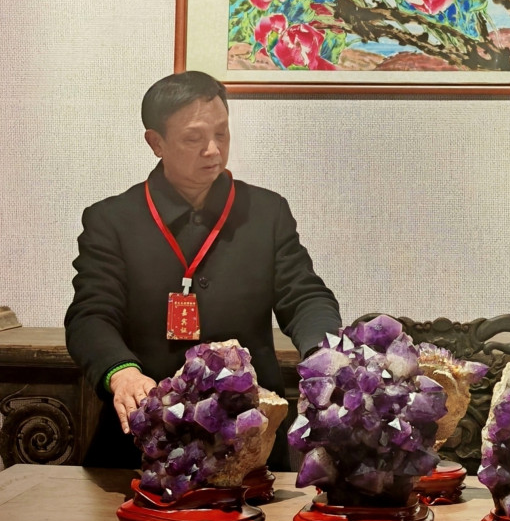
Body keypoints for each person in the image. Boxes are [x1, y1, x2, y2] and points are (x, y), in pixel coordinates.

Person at [65, 71, 341, 469]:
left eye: (221, 134)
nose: (213, 150)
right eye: (193, 138)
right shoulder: (112, 220)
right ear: (156, 142)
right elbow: (91, 314)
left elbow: (304, 296)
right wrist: (121, 373)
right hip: (144, 440)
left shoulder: (266, 212)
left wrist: (322, 352)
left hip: (250, 440)